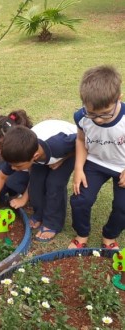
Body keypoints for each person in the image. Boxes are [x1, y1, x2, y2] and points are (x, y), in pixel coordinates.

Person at [0, 121, 76, 242]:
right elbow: (0, 177)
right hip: (44, 152)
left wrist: (63, 159)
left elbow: (82, 140)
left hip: (69, 151)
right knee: (36, 181)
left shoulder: (58, 145)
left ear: (35, 156)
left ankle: (52, 223)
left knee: (54, 184)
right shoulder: (17, 153)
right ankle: (39, 214)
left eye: (18, 166)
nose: (14, 169)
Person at [69, 65, 125, 250]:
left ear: (118, 98)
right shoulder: (81, 116)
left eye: (105, 113)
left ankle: (109, 236)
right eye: (92, 113)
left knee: (122, 207)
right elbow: (80, 139)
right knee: (80, 200)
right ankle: (81, 233)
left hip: (122, 166)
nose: (98, 119)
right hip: (95, 162)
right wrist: (78, 169)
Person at [0, 110, 32, 206]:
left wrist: (24, 198)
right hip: (19, 171)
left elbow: (35, 176)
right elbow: (2, 167)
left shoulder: (26, 147)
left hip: (33, 175)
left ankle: (24, 195)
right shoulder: (8, 146)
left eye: (0, 149)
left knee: (11, 181)